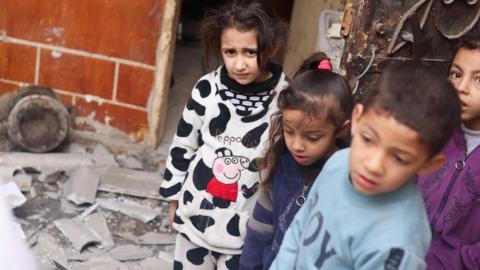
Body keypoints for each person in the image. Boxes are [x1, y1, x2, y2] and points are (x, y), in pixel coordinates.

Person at [270, 62, 461, 270]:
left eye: (399, 158)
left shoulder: (397, 245)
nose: (373, 165)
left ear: (429, 165)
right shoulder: (338, 162)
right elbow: (300, 226)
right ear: (357, 119)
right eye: (368, 140)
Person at [158, 0, 288, 269]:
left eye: (250, 52)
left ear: (271, 48)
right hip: (197, 213)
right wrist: (174, 197)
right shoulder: (207, 88)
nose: (239, 63)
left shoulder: (284, 97)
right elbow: (184, 143)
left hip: (245, 224)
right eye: (230, 52)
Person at [238, 53, 353, 270]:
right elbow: (260, 226)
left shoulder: (349, 179)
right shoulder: (282, 163)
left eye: (313, 137)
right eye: (289, 132)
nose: (297, 145)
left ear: (341, 130)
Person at [417, 36, 480, 269]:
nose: (461, 88)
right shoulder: (432, 133)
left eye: (479, 80)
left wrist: (455, 262)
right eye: (456, 74)